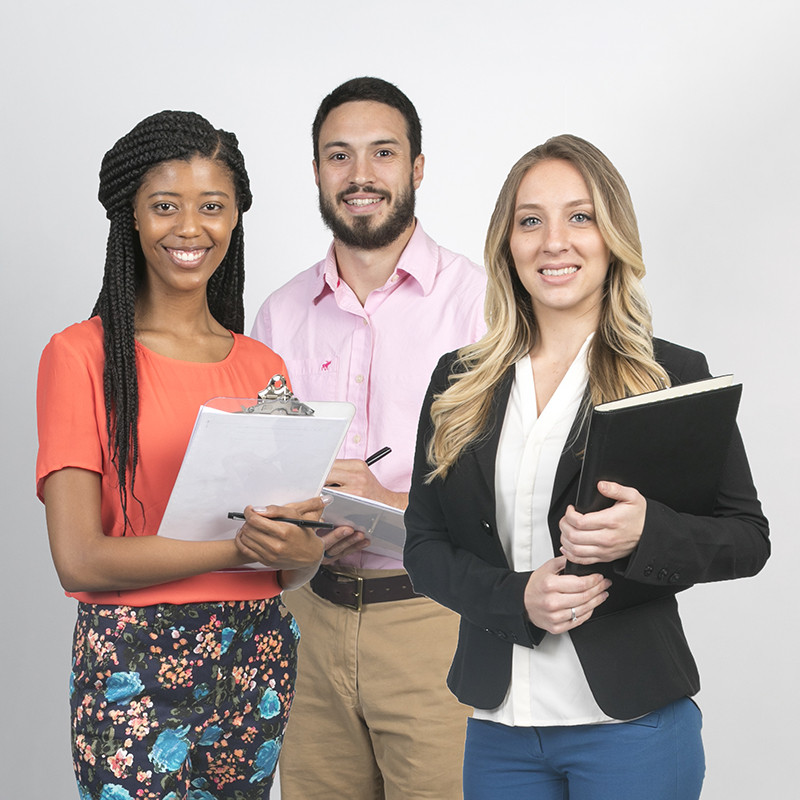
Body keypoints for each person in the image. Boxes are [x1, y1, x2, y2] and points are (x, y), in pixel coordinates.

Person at [403, 134, 770, 800]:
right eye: (530, 220)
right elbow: (423, 548)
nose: (554, 241)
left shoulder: (671, 377)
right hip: (499, 731)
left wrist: (645, 534)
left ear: (613, 236)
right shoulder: (458, 381)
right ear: (507, 243)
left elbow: (748, 537)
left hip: (633, 730)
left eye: (580, 216)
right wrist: (517, 598)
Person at [36, 110, 343, 800]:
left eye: (213, 206)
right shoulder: (80, 356)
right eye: (165, 206)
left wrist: (300, 541)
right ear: (131, 218)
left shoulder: (263, 366)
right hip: (134, 659)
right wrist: (237, 550)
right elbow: (79, 557)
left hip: (258, 653)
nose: (190, 228)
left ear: (235, 218)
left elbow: (291, 570)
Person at [251, 77, 486, 799]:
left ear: (417, 168)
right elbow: (253, 472)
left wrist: (387, 501)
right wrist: (293, 521)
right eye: (338, 156)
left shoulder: (483, 304)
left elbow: (515, 488)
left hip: (434, 621)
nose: (360, 176)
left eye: (382, 153)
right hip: (309, 619)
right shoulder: (278, 313)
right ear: (317, 171)